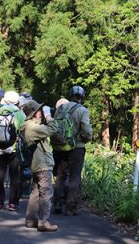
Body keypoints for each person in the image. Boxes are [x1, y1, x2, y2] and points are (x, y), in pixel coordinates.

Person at [53, 86, 93, 216]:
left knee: (60, 176)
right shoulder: (82, 110)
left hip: (60, 147)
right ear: (81, 97)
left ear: (70, 95)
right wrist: (86, 139)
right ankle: (70, 207)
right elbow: (86, 131)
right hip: (77, 148)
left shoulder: (61, 108)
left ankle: (57, 204)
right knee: (74, 177)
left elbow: (54, 126)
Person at [21, 100, 59, 232]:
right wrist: (49, 117)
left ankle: (31, 220)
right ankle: (43, 222)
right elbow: (53, 129)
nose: (41, 112)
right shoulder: (33, 127)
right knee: (46, 193)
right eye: (39, 110)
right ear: (34, 113)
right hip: (42, 164)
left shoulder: (27, 126)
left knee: (36, 192)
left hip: (36, 164)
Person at [0, 90, 25, 211]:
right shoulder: (19, 113)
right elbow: (23, 130)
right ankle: (13, 203)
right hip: (13, 149)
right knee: (15, 176)